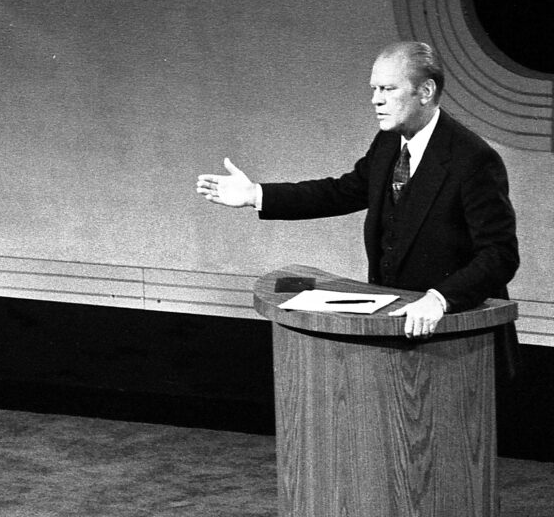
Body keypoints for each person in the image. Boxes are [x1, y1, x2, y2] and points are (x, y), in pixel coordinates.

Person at [195, 41, 519, 345]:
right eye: (374, 89)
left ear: (425, 91)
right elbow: (340, 192)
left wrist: (439, 298)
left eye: (388, 89)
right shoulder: (389, 143)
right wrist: (257, 194)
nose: (375, 100)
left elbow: (500, 255)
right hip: (395, 332)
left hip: (461, 340)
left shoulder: (472, 158)